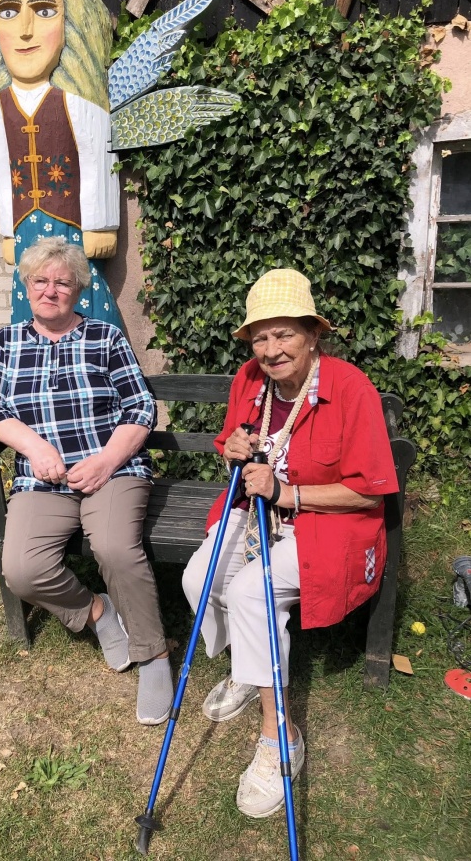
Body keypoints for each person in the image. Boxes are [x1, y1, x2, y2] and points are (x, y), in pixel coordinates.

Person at [182, 268, 398, 817]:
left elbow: (368, 491)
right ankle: (246, 668)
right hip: (257, 511)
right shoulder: (250, 379)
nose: (271, 350)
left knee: (251, 595)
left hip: (328, 524)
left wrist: (288, 493)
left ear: (313, 334)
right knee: (197, 579)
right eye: (260, 337)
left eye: (284, 334)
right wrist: (233, 448)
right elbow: (231, 442)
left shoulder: (349, 388)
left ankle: (280, 736)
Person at [0, 237, 173, 725]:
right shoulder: (7, 341)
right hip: (43, 479)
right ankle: (96, 612)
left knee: (115, 548)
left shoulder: (105, 337)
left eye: (62, 282)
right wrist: (36, 448)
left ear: (78, 289)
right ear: (26, 286)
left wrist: (106, 460)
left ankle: (153, 654)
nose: (51, 290)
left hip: (113, 471)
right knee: (21, 569)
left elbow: (140, 407)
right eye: (40, 280)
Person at [0, 0, 121, 327]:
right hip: (25, 229)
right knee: (28, 302)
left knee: (83, 298)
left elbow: (98, 155)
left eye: (44, 11)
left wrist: (101, 224)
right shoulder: (0, 103)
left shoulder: (77, 95)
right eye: (8, 12)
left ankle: (99, 357)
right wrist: (7, 231)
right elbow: (2, 170)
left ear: (72, 20)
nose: (25, 30)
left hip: (72, 227)